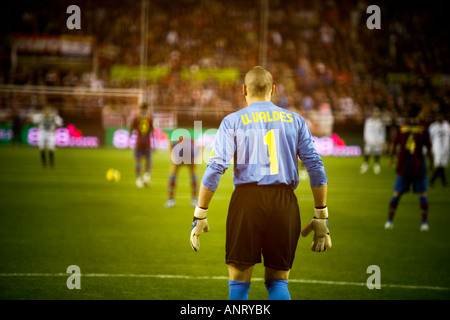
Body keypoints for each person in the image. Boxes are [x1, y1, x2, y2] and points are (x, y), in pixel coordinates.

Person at [189, 66, 330, 300]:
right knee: (278, 283)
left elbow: (216, 167)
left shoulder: (232, 121)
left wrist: (200, 214)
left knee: (239, 285)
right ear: (273, 89)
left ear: (244, 89)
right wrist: (321, 215)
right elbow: (315, 166)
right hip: (285, 202)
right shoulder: (295, 120)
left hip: (247, 201)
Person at [385, 104, 433, 232]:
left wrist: (391, 159)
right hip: (418, 167)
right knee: (423, 195)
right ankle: (424, 223)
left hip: (403, 166)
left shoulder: (402, 127)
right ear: (418, 113)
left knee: (396, 194)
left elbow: (393, 145)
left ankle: (389, 221)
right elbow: (430, 149)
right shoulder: (423, 128)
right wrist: (432, 163)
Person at [164, 135, 199, 208]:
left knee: (192, 174)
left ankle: (171, 200)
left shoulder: (192, 148)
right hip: (180, 154)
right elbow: (170, 146)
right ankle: (193, 200)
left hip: (187, 154)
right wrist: (172, 157)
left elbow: (198, 150)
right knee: (175, 173)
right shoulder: (179, 147)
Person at [130, 103, 153, 188]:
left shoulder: (137, 118)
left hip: (139, 142)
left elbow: (132, 128)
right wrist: (154, 144)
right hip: (147, 143)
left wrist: (129, 139)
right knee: (148, 160)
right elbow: (152, 131)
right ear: (147, 109)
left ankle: (139, 179)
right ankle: (146, 177)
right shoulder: (149, 118)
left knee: (138, 161)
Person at [360, 107, 386, 174]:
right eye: (374, 112)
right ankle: (365, 165)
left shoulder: (380, 122)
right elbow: (365, 131)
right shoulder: (368, 121)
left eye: (377, 112)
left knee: (377, 152)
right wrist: (365, 139)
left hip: (377, 140)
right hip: (369, 140)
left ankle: (376, 165)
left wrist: (382, 141)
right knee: (367, 152)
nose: (375, 113)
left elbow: (383, 132)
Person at [428, 112, 450, 188]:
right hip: (437, 148)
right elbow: (429, 137)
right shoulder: (433, 126)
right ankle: (444, 183)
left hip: (446, 148)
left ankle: (433, 181)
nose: (439, 118)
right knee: (440, 165)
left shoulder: (447, 125)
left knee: (442, 166)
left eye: (440, 116)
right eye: (438, 116)